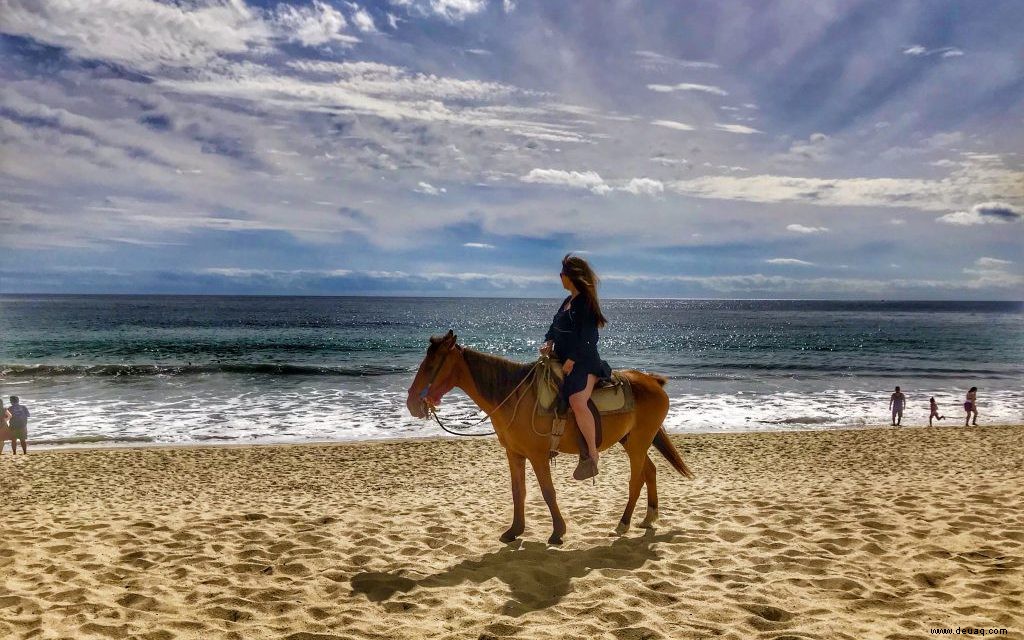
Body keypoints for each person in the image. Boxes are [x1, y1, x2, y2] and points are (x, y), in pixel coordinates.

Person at [540, 254, 612, 481]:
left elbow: (589, 339)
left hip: (585, 362)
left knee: (576, 401)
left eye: (561, 275)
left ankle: (591, 453)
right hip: (563, 359)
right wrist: (548, 341)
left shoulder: (585, 303)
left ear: (570, 276)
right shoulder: (567, 301)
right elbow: (555, 326)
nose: (560, 278)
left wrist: (572, 359)